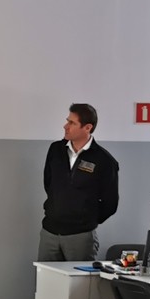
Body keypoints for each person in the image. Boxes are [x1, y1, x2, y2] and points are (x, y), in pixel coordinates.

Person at [39, 102, 119, 262]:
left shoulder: (104, 160)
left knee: (78, 278)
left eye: (72, 123)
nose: (65, 126)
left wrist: (86, 220)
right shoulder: (55, 149)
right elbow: (49, 184)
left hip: (80, 237)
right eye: (67, 121)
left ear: (87, 127)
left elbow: (110, 203)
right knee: (46, 277)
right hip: (50, 233)